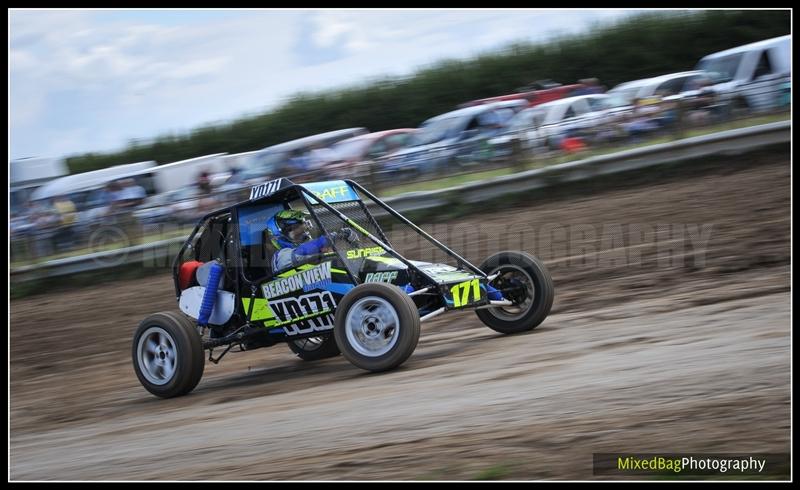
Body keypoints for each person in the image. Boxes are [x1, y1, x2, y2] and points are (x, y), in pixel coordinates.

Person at [266, 209, 359, 272]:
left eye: (304, 230)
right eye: (297, 233)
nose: (304, 235)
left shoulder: (309, 251)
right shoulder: (281, 256)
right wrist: (334, 236)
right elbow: (303, 252)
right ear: (279, 236)